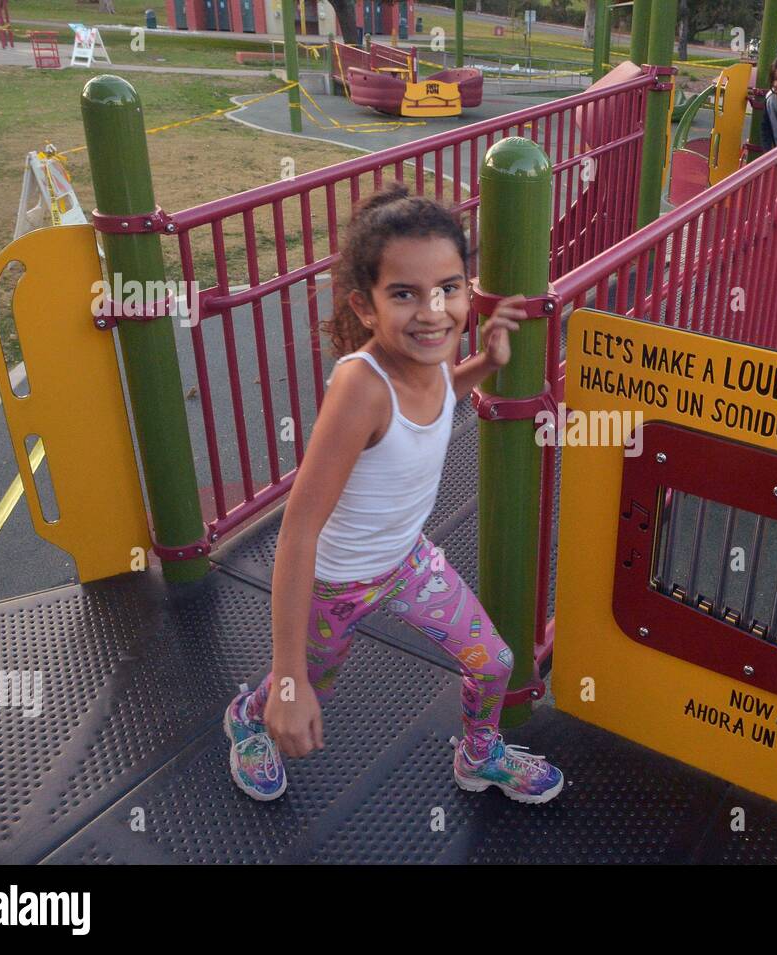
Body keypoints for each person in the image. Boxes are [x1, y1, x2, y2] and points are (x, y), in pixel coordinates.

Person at [224, 184, 565, 805]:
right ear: (365, 306)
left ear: (467, 287)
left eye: (449, 289)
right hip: (333, 584)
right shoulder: (362, 388)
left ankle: (478, 754)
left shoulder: (432, 354)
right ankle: (251, 715)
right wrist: (291, 683)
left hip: (407, 564)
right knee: (306, 688)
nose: (433, 311)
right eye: (404, 294)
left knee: (493, 662)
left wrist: (484, 365)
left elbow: (434, 409)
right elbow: (297, 530)